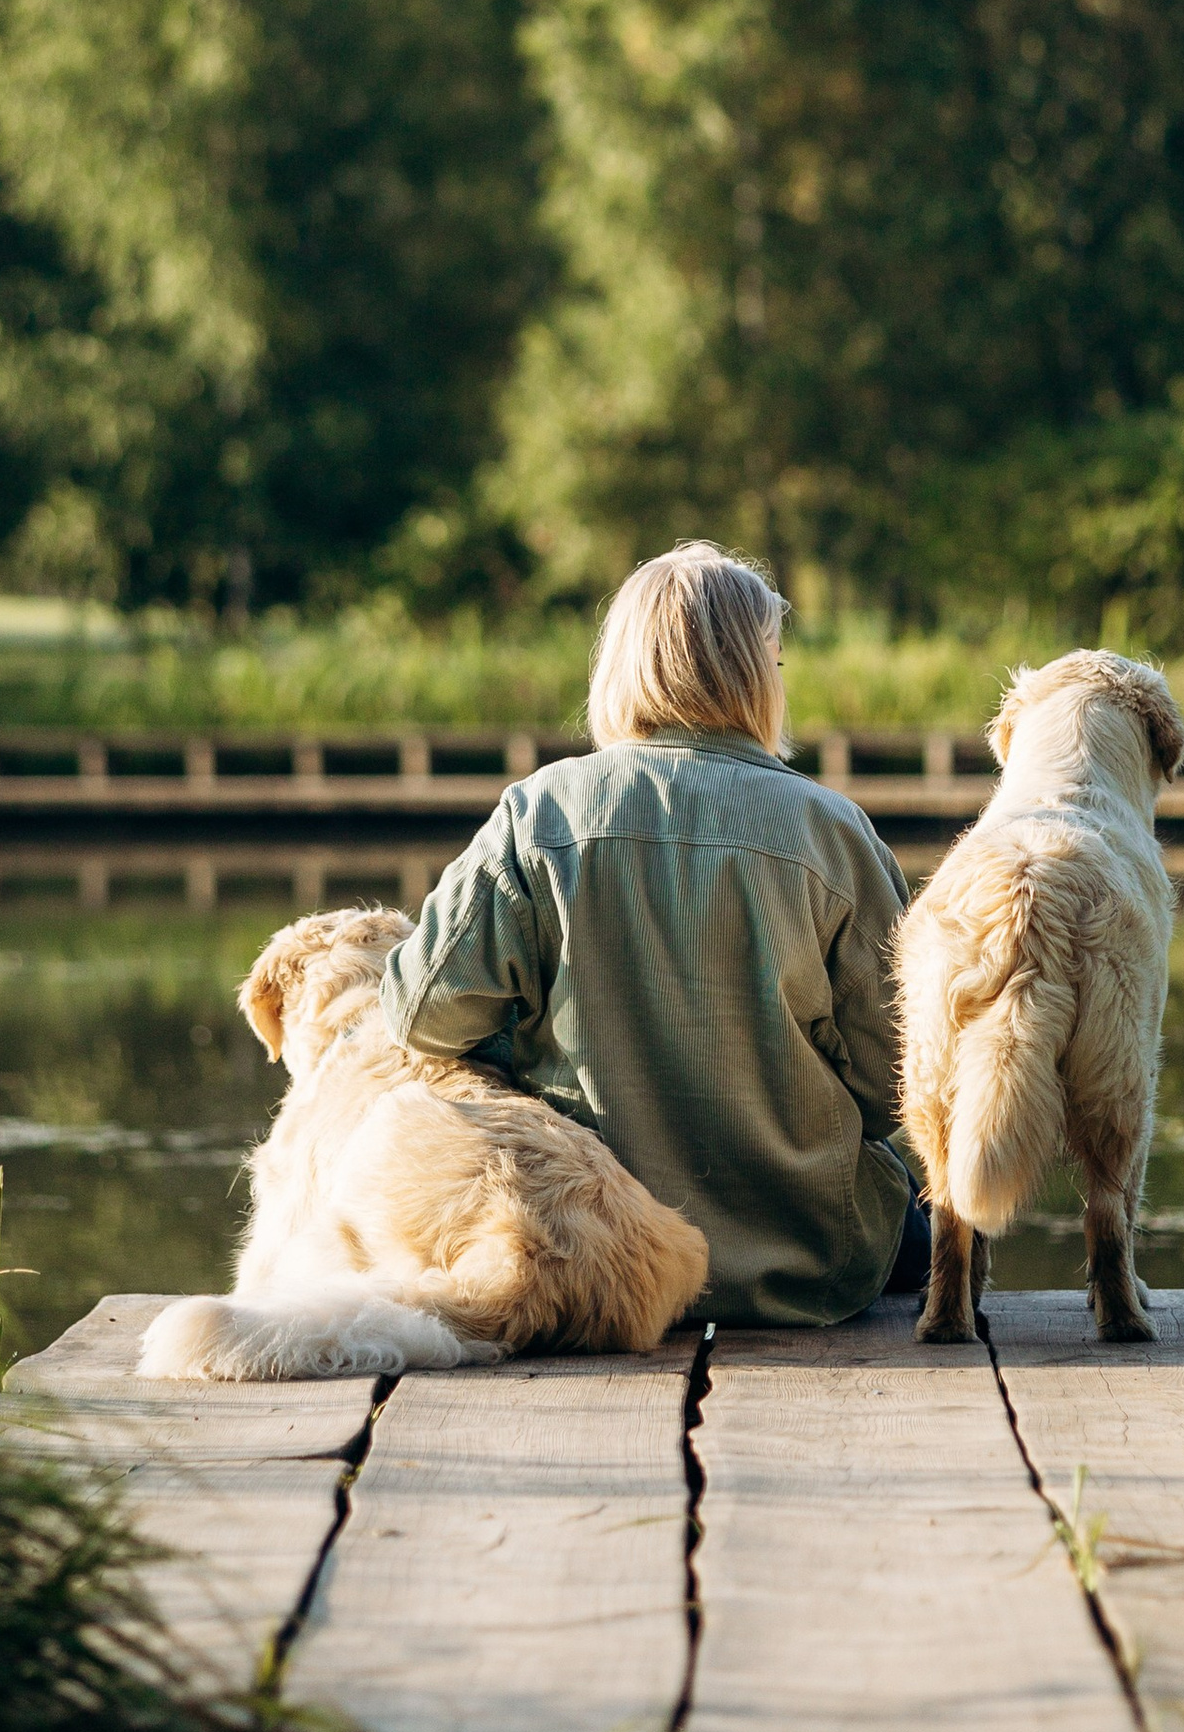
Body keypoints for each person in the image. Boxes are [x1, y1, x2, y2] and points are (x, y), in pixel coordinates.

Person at [378, 541, 921, 1326]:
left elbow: (421, 1015)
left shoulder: (540, 815)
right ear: (755, 672)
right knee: (923, 1216)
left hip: (596, 1261)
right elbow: (892, 1085)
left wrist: (520, 1044)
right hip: (810, 1267)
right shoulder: (834, 830)